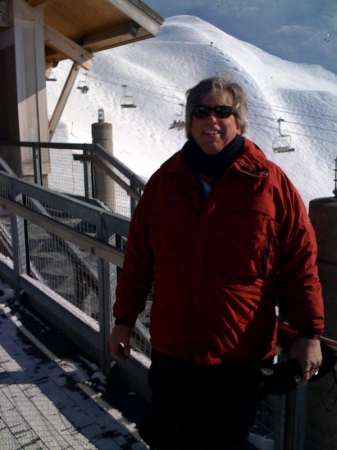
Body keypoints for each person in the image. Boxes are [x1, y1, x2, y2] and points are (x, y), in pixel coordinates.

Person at [109, 75, 324, 450]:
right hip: (173, 351)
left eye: (223, 111)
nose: (212, 119)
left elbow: (300, 263)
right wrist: (123, 320)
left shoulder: (270, 184)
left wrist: (309, 334)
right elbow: (139, 260)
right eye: (201, 111)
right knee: (169, 440)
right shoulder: (164, 182)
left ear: (239, 122)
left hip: (237, 356)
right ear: (189, 122)